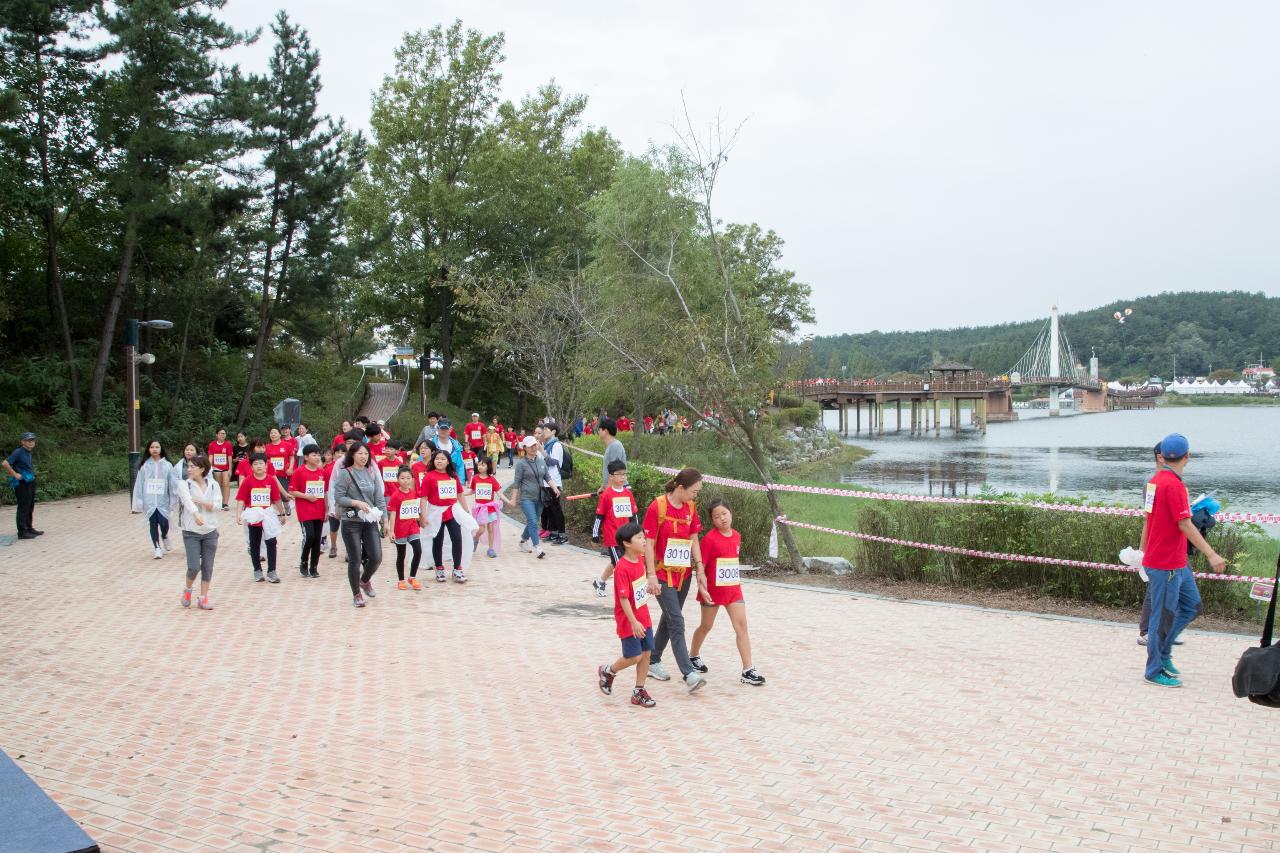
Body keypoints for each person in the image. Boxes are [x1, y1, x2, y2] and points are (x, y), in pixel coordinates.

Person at [1140, 433, 1225, 688]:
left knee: (1191, 606)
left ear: (1162, 456)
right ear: (1187, 457)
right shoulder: (1172, 485)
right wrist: (1211, 554)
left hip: (1175, 560)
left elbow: (1150, 519)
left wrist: (1143, 552)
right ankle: (1154, 668)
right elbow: (1184, 524)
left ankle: (1163, 655)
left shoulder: (1154, 482)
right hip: (1165, 563)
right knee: (1162, 616)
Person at [643, 467, 708, 692]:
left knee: (670, 618)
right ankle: (689, 673)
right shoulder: (657, 506)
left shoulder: (690, 507)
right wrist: (651, 576)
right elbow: (649, 544)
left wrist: (699, 568)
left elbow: (694, 538)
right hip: (661, 574)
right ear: (681, 488)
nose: (695, 496)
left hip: (684, 575)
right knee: (677, 622)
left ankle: (652, 659)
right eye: (694, 491)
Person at [688, 499, 765, 685]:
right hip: (712, 591)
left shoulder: (737, 536)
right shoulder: (709, 540)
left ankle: (748, 670)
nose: (722, 518)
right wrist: (701, 587)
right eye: (716, 516)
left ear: (731, 513)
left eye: (724, 514)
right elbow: (701, 567)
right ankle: (693, 656)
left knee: (742, 627)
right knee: (706, 626)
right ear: (712, 520)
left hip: (733, 590)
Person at [596, 522, 658, 708]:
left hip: (643, 616)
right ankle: (609, 671)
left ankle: (639, 691)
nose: (644, 540)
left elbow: (636, 589)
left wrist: (650, 588)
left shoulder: (639, 560)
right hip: (629, 620)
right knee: (634, 656)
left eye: (643, 536)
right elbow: (623, 599)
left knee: (646, 653)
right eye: (639, 538)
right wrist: (633, 622)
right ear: (627, 543)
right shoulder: (622, 567)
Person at [334, 443, 386, 607]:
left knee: (376, 557)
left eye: (366, 453)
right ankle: (356, 594)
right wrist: (355, 502)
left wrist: (384, 520)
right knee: (355, 559)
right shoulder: (345, 473)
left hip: (369, 521)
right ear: (352, 455)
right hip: (351, 522)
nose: (363, 457)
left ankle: (364, 581)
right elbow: (339, 498)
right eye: (360, 453)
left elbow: (379, 499)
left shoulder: (371, 473)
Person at [176, 454, 219, 611]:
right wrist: (196, 514)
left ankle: (203, 597)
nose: (189, 469)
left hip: (210, 530)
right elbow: (187, 501)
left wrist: (202, 503)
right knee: (194, 566)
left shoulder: (214, 485)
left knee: (207, 566)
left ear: (202, 469)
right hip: (191, 532)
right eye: (188, 466)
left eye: (193, 466)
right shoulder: (183, 484)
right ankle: (187, 589)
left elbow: (217, 505)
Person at [234, 452, 286, 583]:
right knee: (255, 543)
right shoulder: (247, 481)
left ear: (266, 465)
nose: (258, 466)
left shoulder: (270, 480)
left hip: (268, 514)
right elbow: (241, 499)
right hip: (254, 515)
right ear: (251, 467)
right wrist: (238, 514)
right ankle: (257, 570)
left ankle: (272, 571)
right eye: (255, 464)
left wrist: (281, 513)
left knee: (271, 542)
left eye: (261, 463)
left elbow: (276, 498)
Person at [421, 448, 470, 583]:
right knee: (438, 540)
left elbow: (460, 494)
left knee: (457, 538)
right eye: (437, 459)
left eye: (442, 459)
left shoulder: (453, 476)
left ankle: (457, 569)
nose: (439, 461)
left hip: (452, 511)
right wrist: (424, 516)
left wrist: (466, 512)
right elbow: (423, 498)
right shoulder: (429, 476)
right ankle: (439, 568)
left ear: (448, 461)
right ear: (433, 460)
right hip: (435, 512)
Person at [592, 460, 638, 597]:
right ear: (611, 476)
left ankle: (600, 582)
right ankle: (625, 592)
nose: (623, 477)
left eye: (624, 474)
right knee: (621, 566)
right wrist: (595, 535)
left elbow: (634, 515)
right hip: (613, 537)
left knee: (615, 562)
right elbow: (598, 517)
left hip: (627, 536)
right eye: (619, 474)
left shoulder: (628, 494)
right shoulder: (606, 495)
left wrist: (637, 533)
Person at [288, 446, 328, 578]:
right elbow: (292, 491)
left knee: (317, 539)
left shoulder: (322, 472)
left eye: (318, 454)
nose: (317, 457)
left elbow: (325, 492)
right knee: (309, 536)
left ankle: (314, 567)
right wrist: (307, 496)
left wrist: (327, 509)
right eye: (313, 455)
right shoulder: (299, 472)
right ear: (305, 457)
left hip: (320, 510)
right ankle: (304, 561)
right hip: (305, 511)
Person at [132, 440, 175, 559]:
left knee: (164, 522)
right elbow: (139, 483)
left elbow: (172, 485)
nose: (154, 449)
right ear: (148, 449)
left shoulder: (167, 465)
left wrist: (173, 500)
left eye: (157, 447)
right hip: (149, 501)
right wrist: (139, 500)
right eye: (152, 447)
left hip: (163, 501)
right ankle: (157, 548)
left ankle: (165, 535)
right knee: (153, 523)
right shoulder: (144, 466)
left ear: (161, 449)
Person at [386, 466, 424, 590]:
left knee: (418, 551)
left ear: (412, 479)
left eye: (408, 478)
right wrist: (391, 530)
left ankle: (412, 577)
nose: (405, 480)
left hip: (413, 527)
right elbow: (393, 513)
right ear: (397, 480)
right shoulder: (396, 495)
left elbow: (416, 510)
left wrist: (421, 520)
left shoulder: (414, 493)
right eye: (402, 478)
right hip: (400, 529)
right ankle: (401, 580)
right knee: (401, 555)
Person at [512, 436, 547, 559]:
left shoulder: (541, 461)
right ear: (525, 448)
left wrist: (554, 488)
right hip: (526, 498)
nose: (533, 447)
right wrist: (513, 499)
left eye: (535, 445)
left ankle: (522, 542)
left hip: (540, 497)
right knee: (533, 521)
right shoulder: (521, 464)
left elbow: (547, 477)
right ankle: (537, 547)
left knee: (533, 521)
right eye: (530, 445)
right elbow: (516, 482)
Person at [469, 456, 509, 558]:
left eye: (483, 465)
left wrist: (508, 501)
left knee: (491, 529)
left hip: (490, 508)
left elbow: (499, 492)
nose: (480, 467)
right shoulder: (475, 478)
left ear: (488, 466)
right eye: (479, 464)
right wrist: (460, 494)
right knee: (481, 529)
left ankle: (490, 549)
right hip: (480, 509)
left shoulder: (491, 479)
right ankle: (476, 539)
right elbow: (472, 491)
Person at [3, 431, 40, 539]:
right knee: (23, 506)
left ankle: (29, 528)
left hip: (30, 481)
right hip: (22, 483)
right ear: (23, 441)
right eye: (28, 440)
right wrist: (15, 474)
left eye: (32, 440)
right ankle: (22, 532)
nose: (31, 442)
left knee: (30, 505)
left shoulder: (28, 452)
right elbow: (5, 463)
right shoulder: (18, 452)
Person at [540, 420, 568, 545]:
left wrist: (542, 451)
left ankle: (562, 534)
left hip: (554, 482)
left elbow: (553, 462)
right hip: (546, 482)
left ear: (553, 432)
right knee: (550, 509)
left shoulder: (556, 445)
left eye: (546, 430)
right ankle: (553, 533)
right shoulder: (547, 444)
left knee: (556, 509)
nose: (544, 432)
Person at [265, 428, 294, 516]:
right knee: (273, 493)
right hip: (271, 474)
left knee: (284, 494)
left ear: (279, 435)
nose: (273, 434)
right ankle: (279, 511)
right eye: (271, 433)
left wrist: (291, 468)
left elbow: (292, 457)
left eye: (275, 433)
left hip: (283, 474)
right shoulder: (267, 447)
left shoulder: (286, 445)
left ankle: (286, 506)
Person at [433, 420, 467, 485]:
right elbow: (423, 463)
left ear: (450, 430)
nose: (443, 431)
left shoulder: (457, 446)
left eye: (446, 429)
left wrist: (460, 483)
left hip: (451, 483)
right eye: (441, 429)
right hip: (434, 482)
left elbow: (460, 466)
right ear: (438, 429)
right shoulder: (430, 444)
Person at [598, 418, 627, 492]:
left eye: (600, 429)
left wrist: (608, 490)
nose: (598, 432)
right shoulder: (610, 446)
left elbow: (616, 472)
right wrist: (603, 487)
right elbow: (608, 471)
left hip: (618, 489)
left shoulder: (615, 446)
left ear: (605, 431)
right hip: (612, 489)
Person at [207, 428, 233, 509]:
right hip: (216, 467)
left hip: (225, 468)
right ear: (217, 435)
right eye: (221, 433)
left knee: (226, 484)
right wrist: (208, 467)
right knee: (218, 485)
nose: (223, 435)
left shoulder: (228, 444)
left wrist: (230, 469)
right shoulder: (212, 444)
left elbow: (229, 457)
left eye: (224, 433)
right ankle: (219, 501)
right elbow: (211, 457)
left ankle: (225, 503)